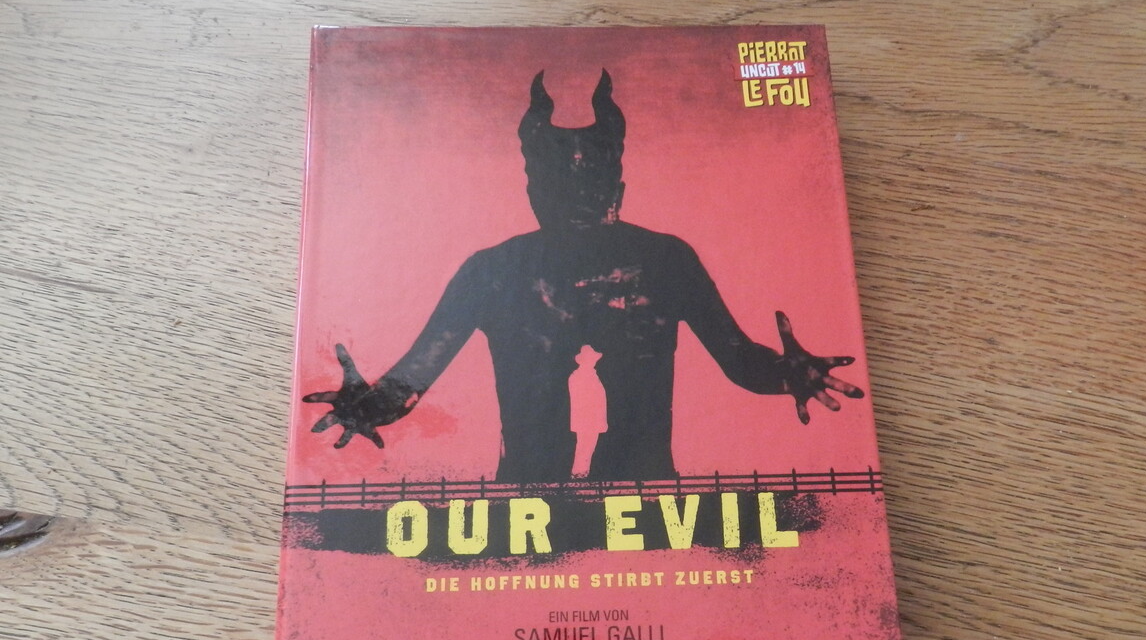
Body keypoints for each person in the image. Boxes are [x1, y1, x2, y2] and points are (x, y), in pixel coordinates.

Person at [305, 71, 862, 483]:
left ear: (617, 190)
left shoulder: (665, 261)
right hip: (529, 504)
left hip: (643, 497)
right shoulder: (493, 272)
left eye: (590, 186)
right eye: (559, 186)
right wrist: (365, 407)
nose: (576, 199)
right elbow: (409, 383)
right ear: (533, 194)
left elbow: (740, 362)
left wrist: (788, 373)